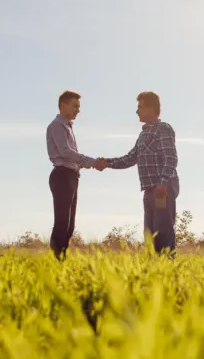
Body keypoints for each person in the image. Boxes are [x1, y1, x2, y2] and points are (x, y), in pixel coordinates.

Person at [94, 91, 180, 257]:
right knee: (150, 234)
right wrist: (107, 163)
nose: (137, 111)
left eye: (140, 107)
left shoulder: (163, 128)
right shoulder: (143, 134)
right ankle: (154, 272)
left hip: (163, 187)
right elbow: (130, 158)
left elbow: (171, 158)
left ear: (151, 108)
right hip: (149, 188)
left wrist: (163, 182)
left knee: (163, 231)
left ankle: (168, 270)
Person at [46, 90, 98, 261]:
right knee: (62, 221)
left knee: (69, 225)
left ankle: (62, 259)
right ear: (63, 105)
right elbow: (65, 152)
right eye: (75, 106)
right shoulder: (56, 126)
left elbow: (68, 156)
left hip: (71, 175)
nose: (78, 110)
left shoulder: (67, 126)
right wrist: (91, 161)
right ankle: (56, 260)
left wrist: (81, 164)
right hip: (62, 176)